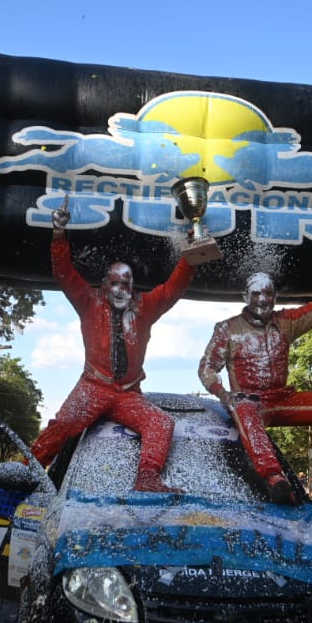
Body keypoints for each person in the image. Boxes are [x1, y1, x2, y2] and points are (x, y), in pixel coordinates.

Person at [30, 203, 199, 492]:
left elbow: (174, 287)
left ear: (133, 287)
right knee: (61, 428)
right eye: (116, 283)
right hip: (92, 387)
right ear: (105, 285)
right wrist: (59, 234)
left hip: (128, 394)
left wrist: (192, 257)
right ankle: (25, 472)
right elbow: (63, 273)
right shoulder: (88, 300)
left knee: (161, 424)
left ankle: (147, 477)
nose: (122, 289)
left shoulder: (144, 307)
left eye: (127, 284)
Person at [199, 271, 312, 504]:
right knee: (243, 406)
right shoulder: (227, 329)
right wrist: (223, 394)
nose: (262, 299)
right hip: (250, 403)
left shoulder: (286, 322)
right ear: (246, 296)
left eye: (267, 293)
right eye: (256, 293)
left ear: (275, 297)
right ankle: (275, 478)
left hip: (283, 399)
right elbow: (207, 367)